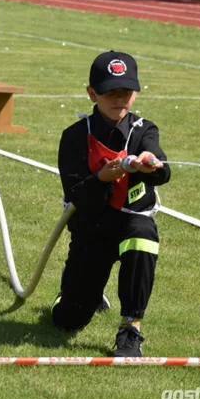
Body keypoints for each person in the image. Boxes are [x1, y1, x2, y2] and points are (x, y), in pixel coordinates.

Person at [52, 51, 171, 356]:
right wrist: (103, 178)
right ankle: (74, 291)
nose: (119, 99)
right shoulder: (75, 136)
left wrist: (151, 163)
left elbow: (162, 169)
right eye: (111, 92)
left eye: (126, 92)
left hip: (131, 222)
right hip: (92, 227)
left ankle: (131, 328)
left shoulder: (144, 129)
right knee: (68, 322)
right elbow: (77, 196)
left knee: (143, 236)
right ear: (92, 93)